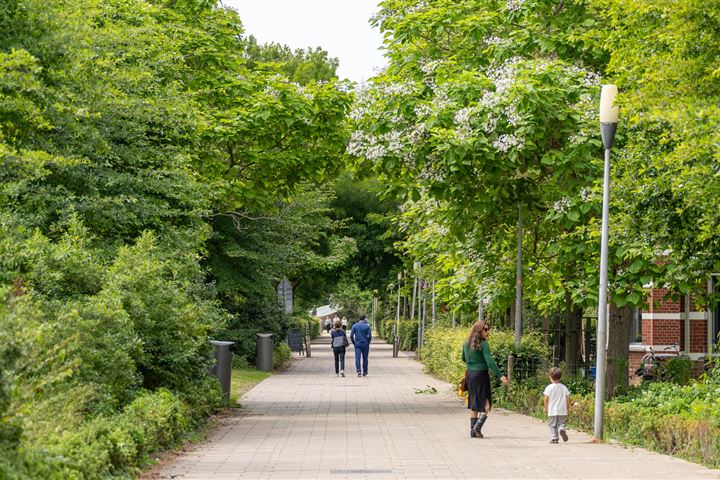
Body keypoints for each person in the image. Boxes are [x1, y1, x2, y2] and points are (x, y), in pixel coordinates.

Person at [462, 320, 508, 438]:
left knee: (474, 402)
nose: (488, 332)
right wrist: (500, 375)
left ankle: (472, 431)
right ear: (479, 330)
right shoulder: (483, 344)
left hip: (469, 374)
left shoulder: (466, 343)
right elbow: (489, 361)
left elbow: (463, 358)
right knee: (486, 404)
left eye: (488, 329)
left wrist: (473, 361)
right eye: (485, 330)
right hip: (481, 375)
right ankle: (477, 427)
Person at [543, 367, 570, 444]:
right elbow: (567, 397)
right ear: (560, 377)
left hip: (552, 410)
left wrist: (545, 408)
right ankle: (561, 429)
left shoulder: (549, 387)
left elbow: (545, 399)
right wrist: (567, 406)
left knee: (552, 425)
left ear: (550, 377)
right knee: (562, 423)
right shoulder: (564, 387)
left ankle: (554, 438)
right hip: (562, 409)